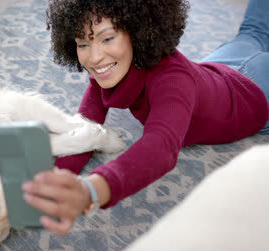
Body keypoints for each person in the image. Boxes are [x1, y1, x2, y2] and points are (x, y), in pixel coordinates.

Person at [22, 0, 269, 235]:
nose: (95, 57)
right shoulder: (106, 71)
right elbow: (85, 131)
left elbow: (160, 147)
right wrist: (47, 185)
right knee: (253, 31)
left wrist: (90, 190)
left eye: (107, 38)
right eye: (83, 43)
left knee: (255, 33)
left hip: (257, 92)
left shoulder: (173, 81)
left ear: (137, 30)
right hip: (219, 65)